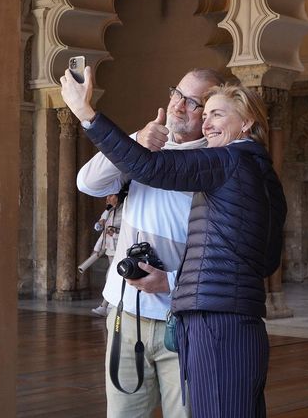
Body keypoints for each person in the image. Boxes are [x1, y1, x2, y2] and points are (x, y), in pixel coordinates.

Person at [64, 68, 287, 418]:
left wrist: (85, 113)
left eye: (211, 111)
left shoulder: (226, 161)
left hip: (204, 320)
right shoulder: (257, 168)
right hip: (196, 317)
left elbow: (149, 168)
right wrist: (139, 137)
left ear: (245, 123)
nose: (181, 107)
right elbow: (266, 260)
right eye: (177, 94)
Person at [76, 68, 226, 417]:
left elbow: (224, 256)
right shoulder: (142, 145)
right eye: (177, 93)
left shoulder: (216, 166)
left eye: (193, 103)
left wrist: (170, 282)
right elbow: (88, 183)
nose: (178, 106)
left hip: (186, 323)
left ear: (210, 114)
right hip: (126, 316)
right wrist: (134, 143)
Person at [90, 192, 125, 317]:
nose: (107, 199)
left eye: (110, 196)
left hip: (121, 248)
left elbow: (128, 231)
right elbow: (101, 230)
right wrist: (97, 248)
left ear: (118, 197)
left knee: (111, 275)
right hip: (110, 248)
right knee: (111, 275)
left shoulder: (125, 210)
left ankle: (105, 305)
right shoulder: (109, 212)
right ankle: (111, 304)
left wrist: (115, 231)